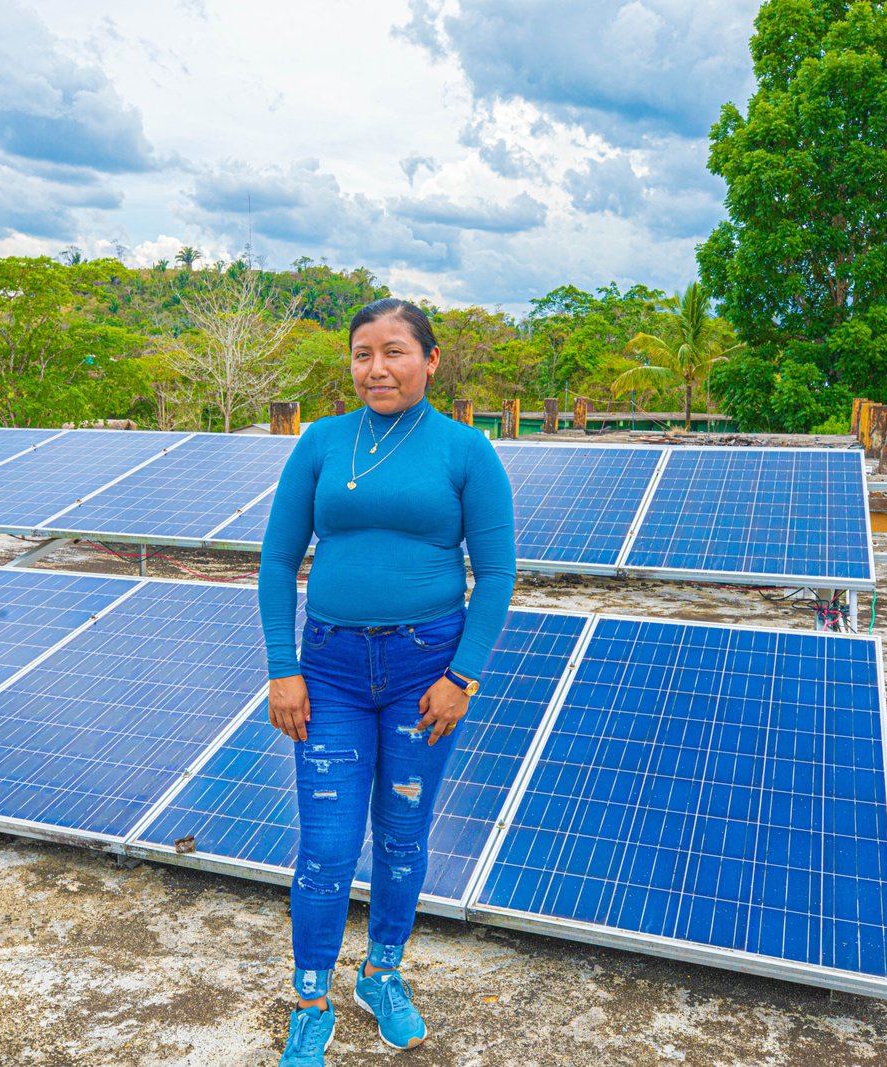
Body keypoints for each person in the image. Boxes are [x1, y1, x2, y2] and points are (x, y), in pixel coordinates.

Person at [258, 298, 516, 1065]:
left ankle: (381, 974)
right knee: (327, 844)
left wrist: (462, 677)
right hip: (329, 672)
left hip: (424, 674)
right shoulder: (320, 442)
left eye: (395, 351)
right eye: (363, 353)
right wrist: (282, 667)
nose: (377, 367)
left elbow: (497, 573)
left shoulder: (466, 450)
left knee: (402, 835)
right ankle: (311, 997)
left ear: (430, 360)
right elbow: (277, 559)